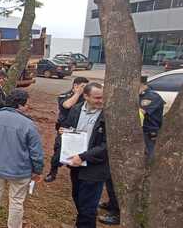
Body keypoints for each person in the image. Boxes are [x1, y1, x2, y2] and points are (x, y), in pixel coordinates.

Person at [98, 76, 165, 226]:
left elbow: (136, 118)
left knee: (131, 177)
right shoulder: (133, 97)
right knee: (113, 173)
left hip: (144, 140)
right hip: (129, 139)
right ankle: (113, 203)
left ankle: (121, 213)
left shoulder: (151, 98)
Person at [0, 89, 44, 228]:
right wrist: (37, 170)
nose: (28, 107)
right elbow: (36, 152)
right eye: (27, 104)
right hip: (20, 171)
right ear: (19, 105)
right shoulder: (29, 125)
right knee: (16, 201)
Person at [60, 82, 108, 228]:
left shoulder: (107, 115)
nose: (101, 101)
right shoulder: (76, 109)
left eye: (102, 97)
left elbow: (107, 146)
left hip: (95, 167)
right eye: (97, 98)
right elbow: (68, 126)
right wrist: (64, 132)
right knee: (78, 197)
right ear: (86, 96)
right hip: (76, 164)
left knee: (88, 205)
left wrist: (84, 156)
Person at [45, 77, 89, 183]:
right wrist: (77, 93)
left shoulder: (87, 97)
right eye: (83, 86)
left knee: (80, 152)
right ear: (75, 86)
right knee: (58, 152)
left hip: (80, 130)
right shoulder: (65, 96)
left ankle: (76, 173)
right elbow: (67, 105)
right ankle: (52, 172)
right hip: (65, 130)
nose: (86, 88)